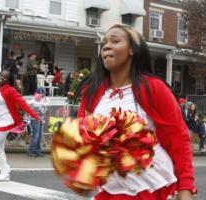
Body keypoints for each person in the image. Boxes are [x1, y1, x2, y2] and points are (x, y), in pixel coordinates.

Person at [76, 24, 195, 200]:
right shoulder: (92, 92)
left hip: (151, 190)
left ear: (132, 50)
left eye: (115, 41)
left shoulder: (154, 88)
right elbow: (83, 139)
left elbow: (178, 138)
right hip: (110, 192)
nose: (106, 46)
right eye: (104, 43)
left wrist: (186, 188)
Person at [27, 87, 49, 157]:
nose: (44, 94)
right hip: (35, 119)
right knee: (35, 135)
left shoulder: (42, 99)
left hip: (40, 119)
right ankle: (32, 151)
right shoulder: (35, 99)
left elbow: (43, 109)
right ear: (40, 93)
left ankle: (37, 151)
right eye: (43, 93)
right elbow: (35, 108)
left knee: (39, 136)